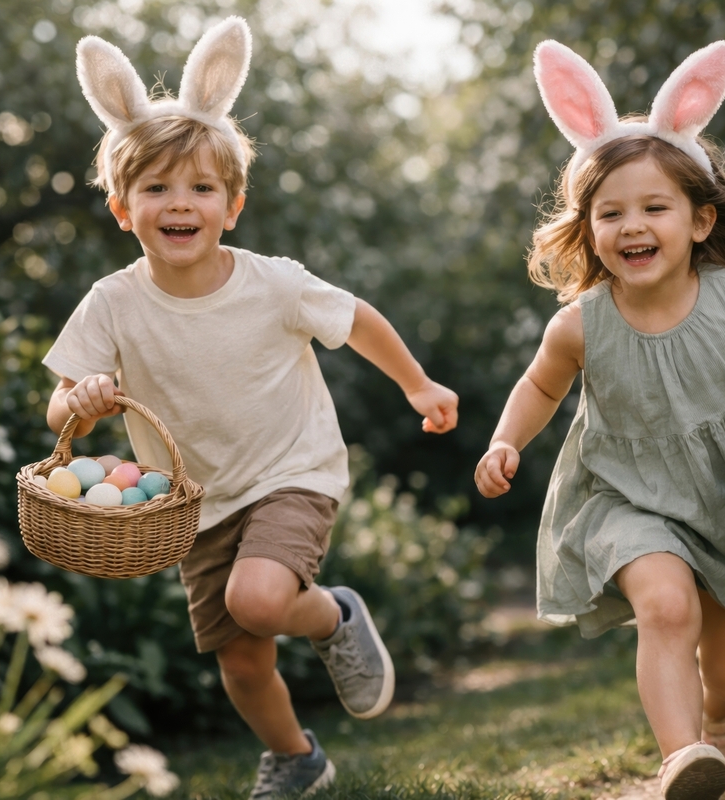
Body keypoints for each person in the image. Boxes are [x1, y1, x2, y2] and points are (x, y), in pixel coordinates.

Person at [45, 19, 458, 799]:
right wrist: (81, 404)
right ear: (122, 208)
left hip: (289, 471)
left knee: (260, 600)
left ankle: (332, 616)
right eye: (157, 188)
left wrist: (417, 384)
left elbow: (356, 317)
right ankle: (298, 757)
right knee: (241, 657)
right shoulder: (111, 304)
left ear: (231, 206)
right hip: (193, 503)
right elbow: (59, 405)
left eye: (201, 188)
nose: (180, 203)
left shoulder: (271, 282)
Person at [474, 40, 725, 800]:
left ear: (698, 218)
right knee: (664, 603)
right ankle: (682, 755)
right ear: (588, 229)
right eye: (610, 213)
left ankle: (719, 722)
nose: (632, 226)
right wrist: (504, 441)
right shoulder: (579, 325)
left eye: (654, 207)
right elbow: (539, 388)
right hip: (631, 496)